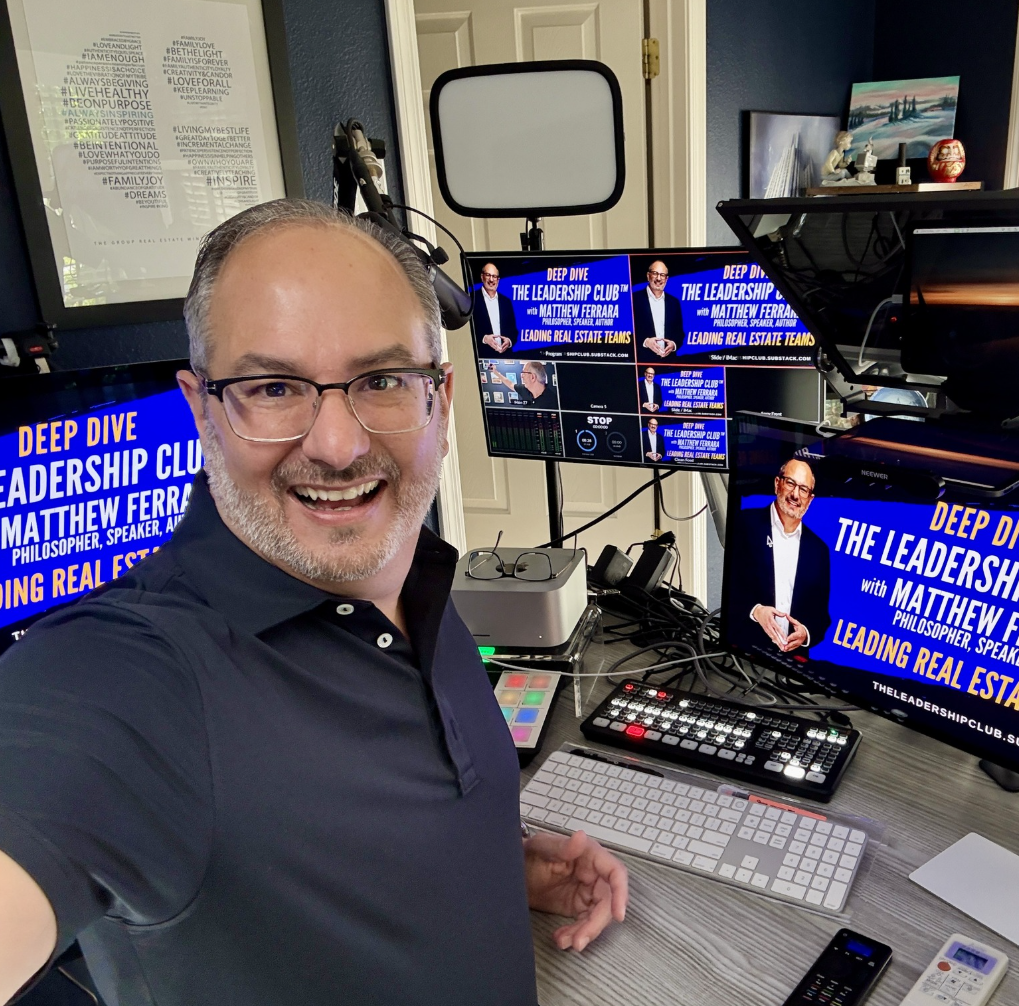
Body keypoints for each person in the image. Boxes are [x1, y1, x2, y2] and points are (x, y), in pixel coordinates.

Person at [0, 200, 627, 1006]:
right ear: (200, 409)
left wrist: (498, 864)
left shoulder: (418, 574)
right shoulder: (129, 680)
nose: (337, 445)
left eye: (383, 380)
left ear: (439, 401)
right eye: (273, 387)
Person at [728, 458, 831, 653]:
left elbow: (820, 616)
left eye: (803, 489)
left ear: (810, 499)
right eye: (790, 483)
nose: (795, 495)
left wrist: (805, 633)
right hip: (744, 651)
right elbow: (729, 588)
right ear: (777, 484)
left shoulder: (819, 550)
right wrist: (756, 611)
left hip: (791, 663)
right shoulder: (743, 524)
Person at [635, 260, 683, 360]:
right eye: (655, 273)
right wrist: (646, 342)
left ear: (666, 279)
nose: (658, 278)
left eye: (662, 275)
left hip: (669, 362)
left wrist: (673, 344)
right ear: (648, 275)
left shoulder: (674, 302)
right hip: (643, 361)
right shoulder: (633, 300)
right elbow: (625, 333)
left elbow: (680, 333)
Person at [471, 262, 517, 354]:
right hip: (482, 355)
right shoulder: (471, 299)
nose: (491, 279)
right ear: (482, 277)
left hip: (505, 356)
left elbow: (513, 331)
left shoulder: (506, 301)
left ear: (498, 280)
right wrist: (484, 339)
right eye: (488, 275)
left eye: (494, 276)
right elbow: (467, 331)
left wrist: (509, 341)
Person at [489, 359, 558, 410]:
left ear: (532, 377)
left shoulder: (553, 399)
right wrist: (495, 372)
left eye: (523, 373)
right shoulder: (524, 390)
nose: (522, 376)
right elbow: (510, 384)